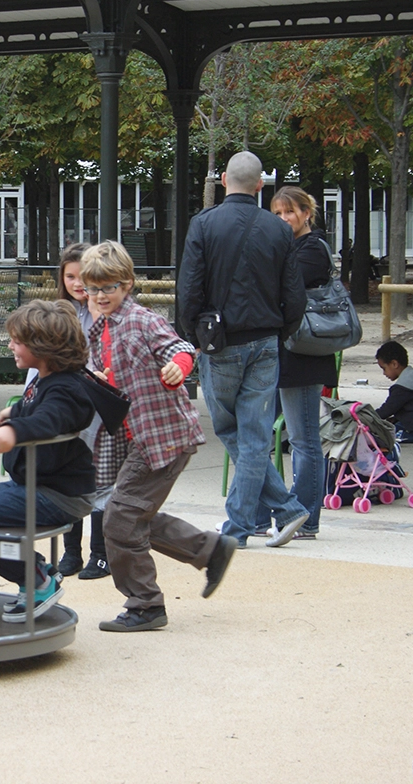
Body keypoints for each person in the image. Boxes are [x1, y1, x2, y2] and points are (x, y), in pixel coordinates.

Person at [82, 240, 236, 632]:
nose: (100, 296)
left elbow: (180, 347)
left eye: (109, 288)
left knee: (118, 519)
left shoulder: (142, 319)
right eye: (93, 289)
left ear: (127, 285)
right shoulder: (100, 327)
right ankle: (210, 549)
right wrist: (99, 380)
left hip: (163, 437)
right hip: (139, 437)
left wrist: (178, 367)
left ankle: (146, 605)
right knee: (132, 515)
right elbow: (109, 371)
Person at [177, 151, 309, 549]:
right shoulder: (279, 230)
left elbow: (189, 290)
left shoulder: (203, 225)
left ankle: (242, 526)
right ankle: (284, 509)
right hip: (266, 339)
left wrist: (194, 336)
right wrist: (279, 330)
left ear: (221, 180)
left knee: (230, 429)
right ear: (260, 186)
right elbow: (295, 295)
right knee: (253, 435)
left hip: (220, 341)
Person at [0, 299, 96, 624]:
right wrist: (16, 412)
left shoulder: (65, 388)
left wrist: (13, 430)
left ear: (41, 347)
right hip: (41, 484)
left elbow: (50, 419)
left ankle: (37, 579)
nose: (10, 344)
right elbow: (41, 410)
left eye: (17, 340)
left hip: (58, 494)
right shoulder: (49, 379)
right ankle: (37, 571)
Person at [254, 186, 340, 541]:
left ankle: (305, 517)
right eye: (276, 213)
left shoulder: (312, 250)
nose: (283, 219)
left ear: (307, 213)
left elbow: (280, 290)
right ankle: (258, 516)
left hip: (302, 355)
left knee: (304, 441)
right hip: (278, 351)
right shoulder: (287, 247)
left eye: (289, 212)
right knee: (258, 437)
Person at [48, 242, 112, 581]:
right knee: (67, 477)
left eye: (83, 277)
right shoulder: (59, 313)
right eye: (70, 277)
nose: (77, 284)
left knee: (100, 480)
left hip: (99, 408)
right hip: (67, 406)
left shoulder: (106, 311)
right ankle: (72, 551)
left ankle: (101, 554)